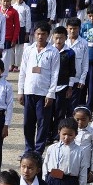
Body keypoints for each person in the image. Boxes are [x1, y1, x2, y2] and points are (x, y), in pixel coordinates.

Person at [18, 22, 59, 154]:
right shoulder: (29, 49)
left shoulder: (53, 52)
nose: (40, 37)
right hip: (29, 91)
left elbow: (55, 74)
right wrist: (20, 91)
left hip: (43, 93)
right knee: (28, 123)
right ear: (34, 34)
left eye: (43, 34)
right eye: (38, 34)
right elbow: (23, 71)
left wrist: (50, 94)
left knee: (42, 123)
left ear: (48, 35)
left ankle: (38, 151)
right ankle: (28, 149)